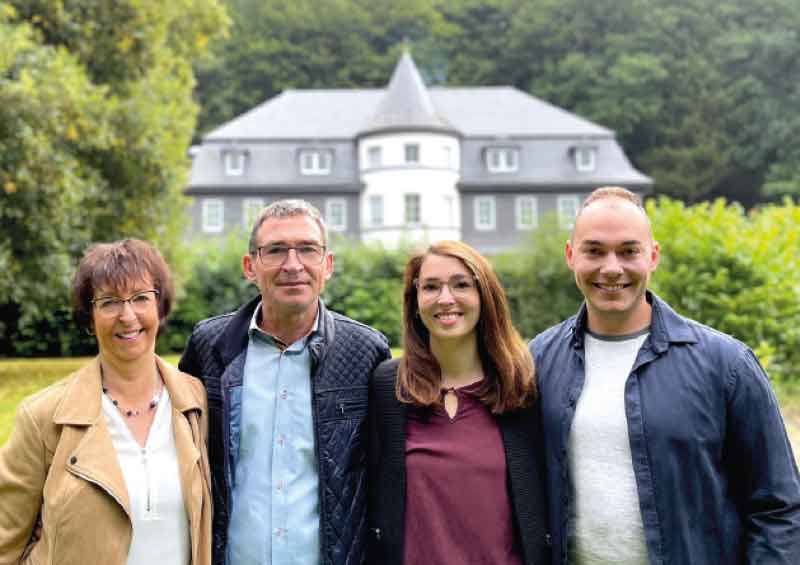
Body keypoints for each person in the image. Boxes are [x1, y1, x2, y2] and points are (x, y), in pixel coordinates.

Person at [530, 186, 800, 564]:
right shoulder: (538, 361)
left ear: (653, 256)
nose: (612, 268)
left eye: (629, 251)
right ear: (570, 255)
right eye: (594, 251)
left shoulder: (726, 365)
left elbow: (779, 507)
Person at [179, 199, 391, 565]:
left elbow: (386, 474)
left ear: (327, 265)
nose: (293, 265)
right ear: (250, 266)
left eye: (307, 249)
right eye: (276, 250)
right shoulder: (209, 347)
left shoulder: (366, 352)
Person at [0, 239, 212, 565]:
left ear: (160, 308)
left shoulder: (195, 402)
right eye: (109, 302)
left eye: (141, 298)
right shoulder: (43, 417)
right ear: (90, 317)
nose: (127, 316)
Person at [368, 240, 551, 565]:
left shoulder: (521, 387)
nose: (445, 298)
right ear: (415, 301)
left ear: (485, 296)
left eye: (461, 285)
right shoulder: (388, 388)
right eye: (431, 287)